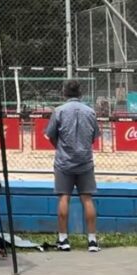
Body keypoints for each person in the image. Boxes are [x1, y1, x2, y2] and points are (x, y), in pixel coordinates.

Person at [45, 80, 101, 252]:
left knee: (64, 198)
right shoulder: (90, 112)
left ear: (64, 93)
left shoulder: (59, 111)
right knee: (87, 198)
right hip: (84, 160)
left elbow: (50, 135)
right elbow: (94, 136)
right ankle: (92, 240)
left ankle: (63, 238)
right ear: (80, 93)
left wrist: (61, 148)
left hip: (64, 161)